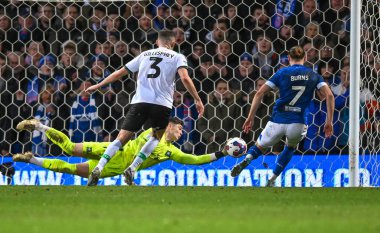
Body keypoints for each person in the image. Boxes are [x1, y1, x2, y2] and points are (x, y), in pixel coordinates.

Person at [84, 30, 204, 186]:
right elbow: (185, 78)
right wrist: (197, 99)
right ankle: (132, 169)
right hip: (162, 105)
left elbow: (120, 73)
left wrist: (99, 85)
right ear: (173, 43)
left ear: (157, 43)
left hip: (140, 101)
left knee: (121, 139)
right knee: (156, 137)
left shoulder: (145, 54)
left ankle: (99, 167)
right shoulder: (177, 56)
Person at [230, 46, 335, 187]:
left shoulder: (282, 72)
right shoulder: (313, 75)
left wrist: (250, 117)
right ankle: (272, 179)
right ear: (305, 58)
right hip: (298, 122)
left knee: (260, 146)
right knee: (290, 148)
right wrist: (329, 122)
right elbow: (329, 95)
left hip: (277, 120)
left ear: (289, 59)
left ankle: (247, 158)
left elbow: (259, 93)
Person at [13, 117, 224, 183]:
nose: (181, 133)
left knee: (70, 170)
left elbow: (196, 160)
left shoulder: (171, 151)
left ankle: (30, 160)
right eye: (179, 129)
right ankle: (39, 125)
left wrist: (221, 153)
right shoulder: (153, 130)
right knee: (69, 148)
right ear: (169, 125)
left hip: (115, 166)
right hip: (112, 149)